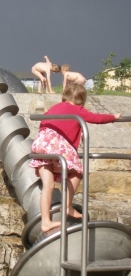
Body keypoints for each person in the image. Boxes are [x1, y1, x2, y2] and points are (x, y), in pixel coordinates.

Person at [30, 83, 121, 233]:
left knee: (49, 185)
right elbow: (96, 118)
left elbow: (44, 121)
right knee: (78, 172)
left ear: (65, 95)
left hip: (41, 143)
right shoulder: (77, 110)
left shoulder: (55, 107)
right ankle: (67, 206)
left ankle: (46, 222)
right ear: (82, 100)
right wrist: (113, 117)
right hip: (56, 144)